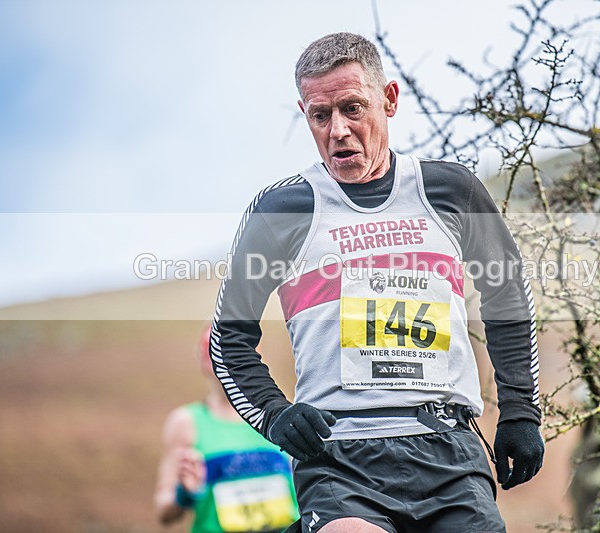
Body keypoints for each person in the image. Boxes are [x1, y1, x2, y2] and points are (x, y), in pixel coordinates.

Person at [210, 32, 544, 533]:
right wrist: (274, 415)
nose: (338, 130)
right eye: (320, 116)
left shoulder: (451, 190)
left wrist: (520, 412)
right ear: (305, 113)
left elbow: (507, 298)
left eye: (352, 108)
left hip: (448, 452)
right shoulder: (283, 209)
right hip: (339, 460)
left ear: (388, 100)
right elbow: (228, 338)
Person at [154, 324, 299, 533]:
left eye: (241, 353)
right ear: (204, 361)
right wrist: (184, 494)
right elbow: (163, 510)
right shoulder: (186, 423)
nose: (230, 362)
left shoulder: (284, 417)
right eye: (219, 353)